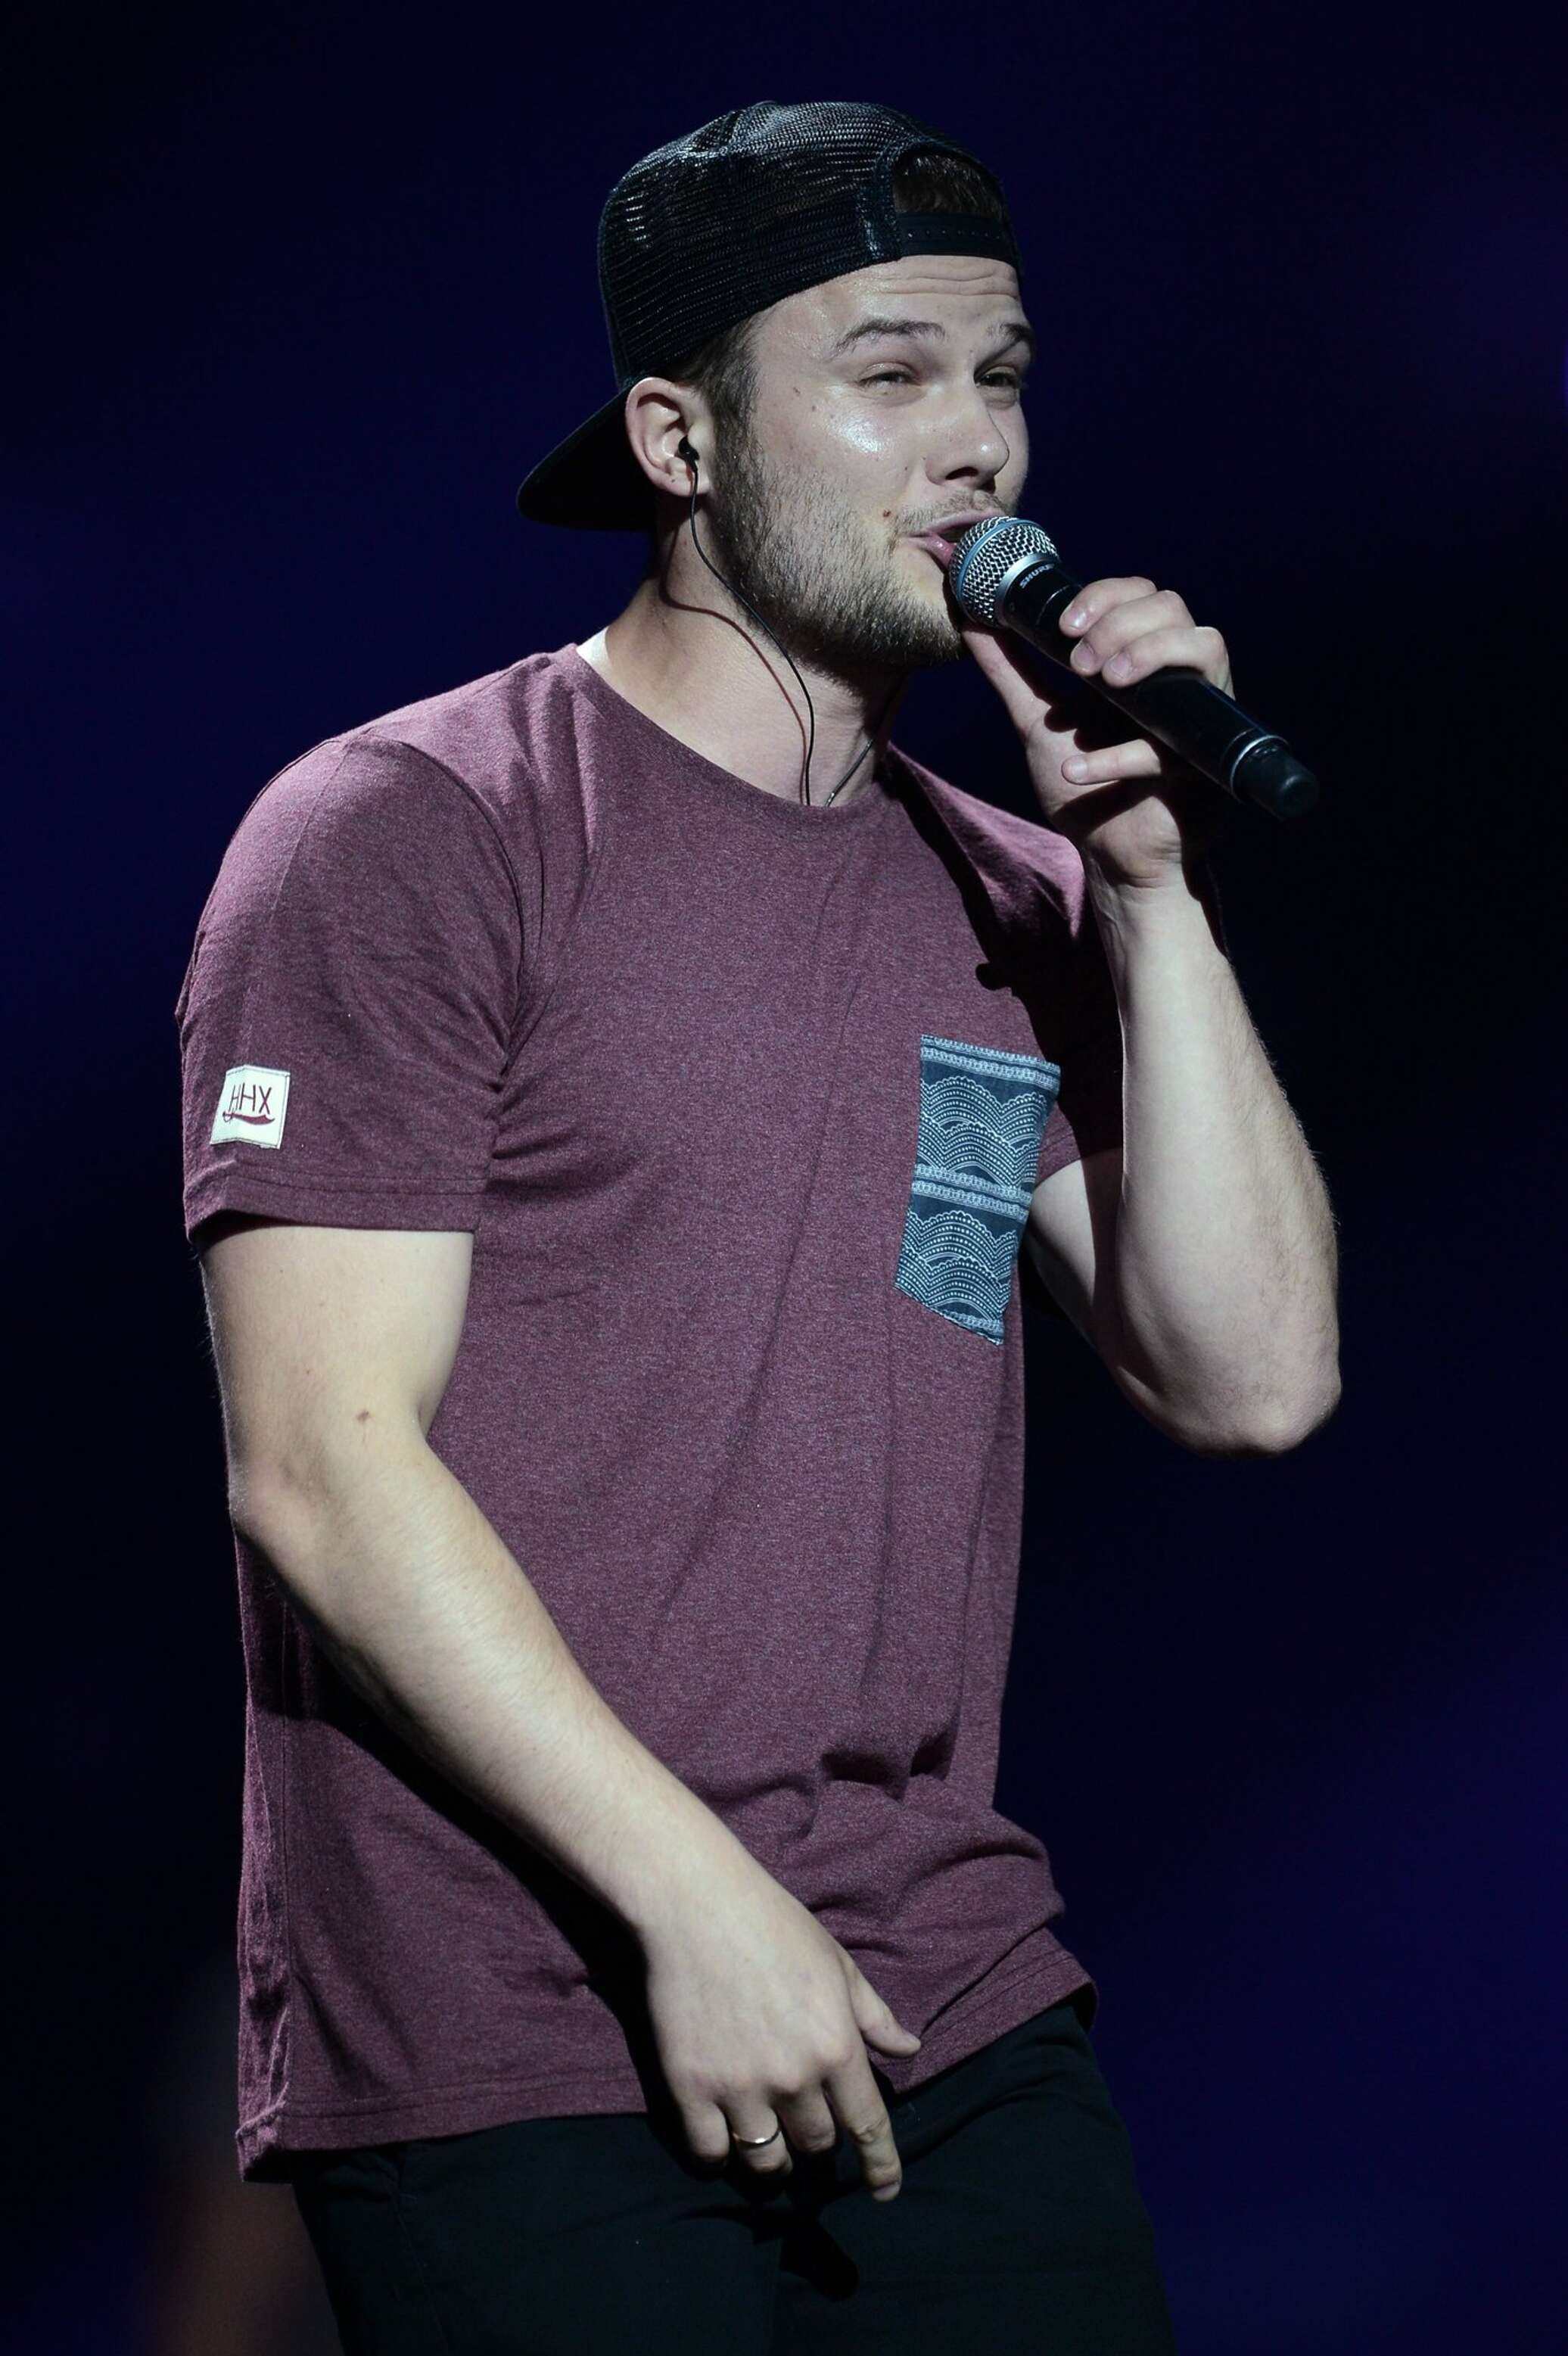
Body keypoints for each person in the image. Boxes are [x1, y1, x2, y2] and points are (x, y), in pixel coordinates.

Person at [176, 98, 1339, 2354]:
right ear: (679, 441)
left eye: (1000, 375)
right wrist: (692, 1900)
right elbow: (319, 1462)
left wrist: (1152, 898)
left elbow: (1255, 1375)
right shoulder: (414, 831)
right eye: (889, 373)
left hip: (948, 1991)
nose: (976, 442)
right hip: (532, 2022)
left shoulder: (1014, 892)